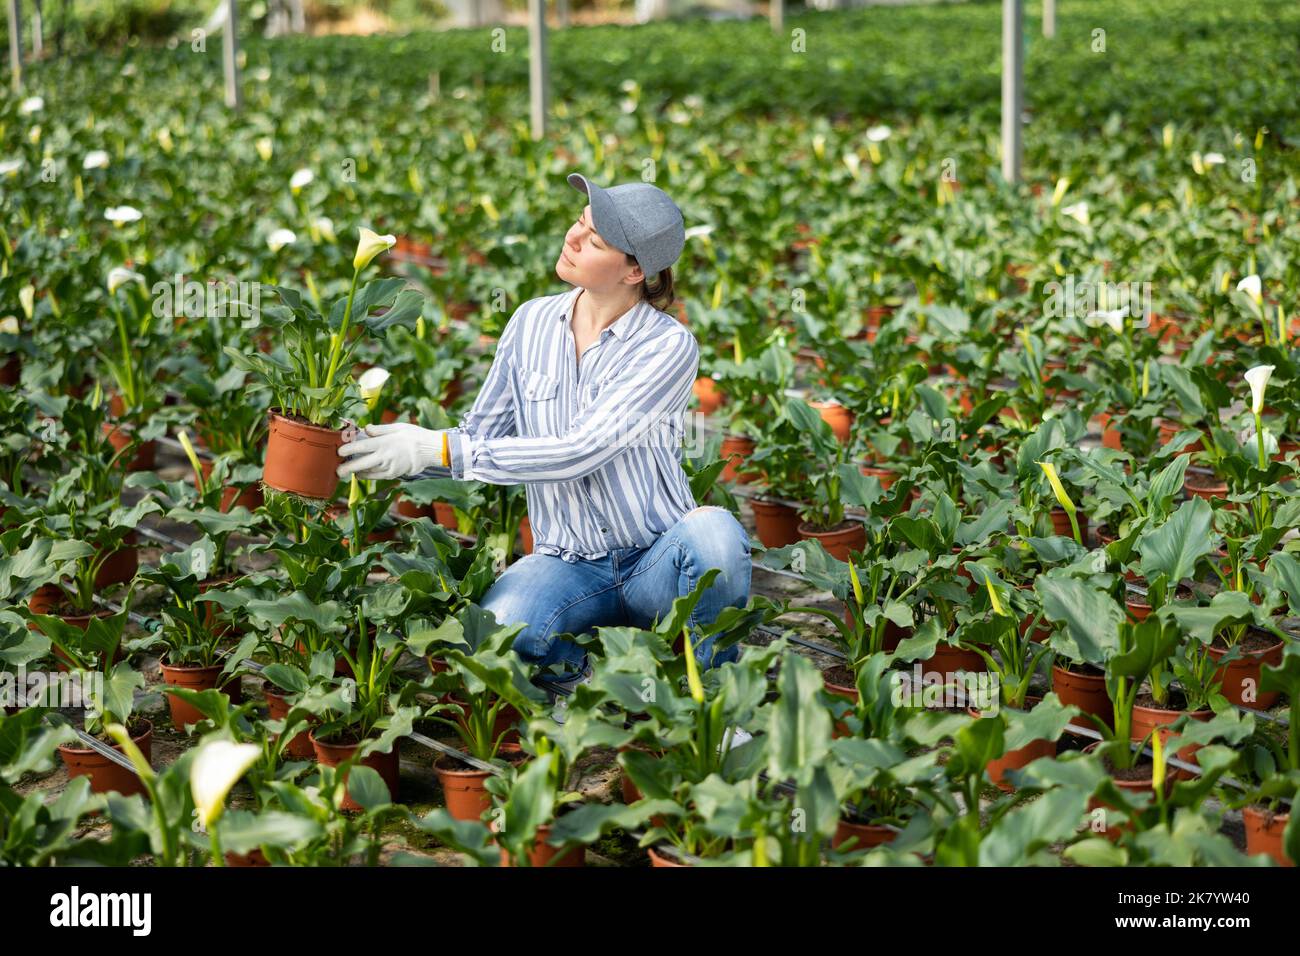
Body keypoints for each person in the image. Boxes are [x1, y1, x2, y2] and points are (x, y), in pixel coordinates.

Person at [336, 172, 752, 700]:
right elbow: (480, 435)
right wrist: (388, 447)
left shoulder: (667, 346)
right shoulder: (529, 322)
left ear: (635, 272)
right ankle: (583, 682)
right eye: (579, 223)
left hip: (656, 561)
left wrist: (433, 445)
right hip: (567, 564)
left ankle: (714, 699)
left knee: (715, 534)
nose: (572, 239)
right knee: (498, 633)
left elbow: (581, 449)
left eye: (595, 241)